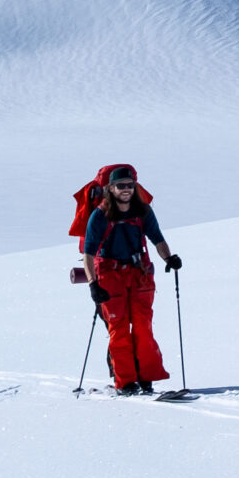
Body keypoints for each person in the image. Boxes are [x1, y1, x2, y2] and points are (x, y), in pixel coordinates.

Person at [79, 164, 179, 395]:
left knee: (143, 327)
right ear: (110, 188)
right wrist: (94, 285)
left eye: (130, 186)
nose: (126, 190)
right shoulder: (100, 215)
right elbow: (89, 253)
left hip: (139, 274)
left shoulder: (143, 211)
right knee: (119, 329)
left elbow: (157, 239)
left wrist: (169, 258)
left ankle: (146, 378)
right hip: (109, 276)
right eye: (121, 186)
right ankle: (125, 382)